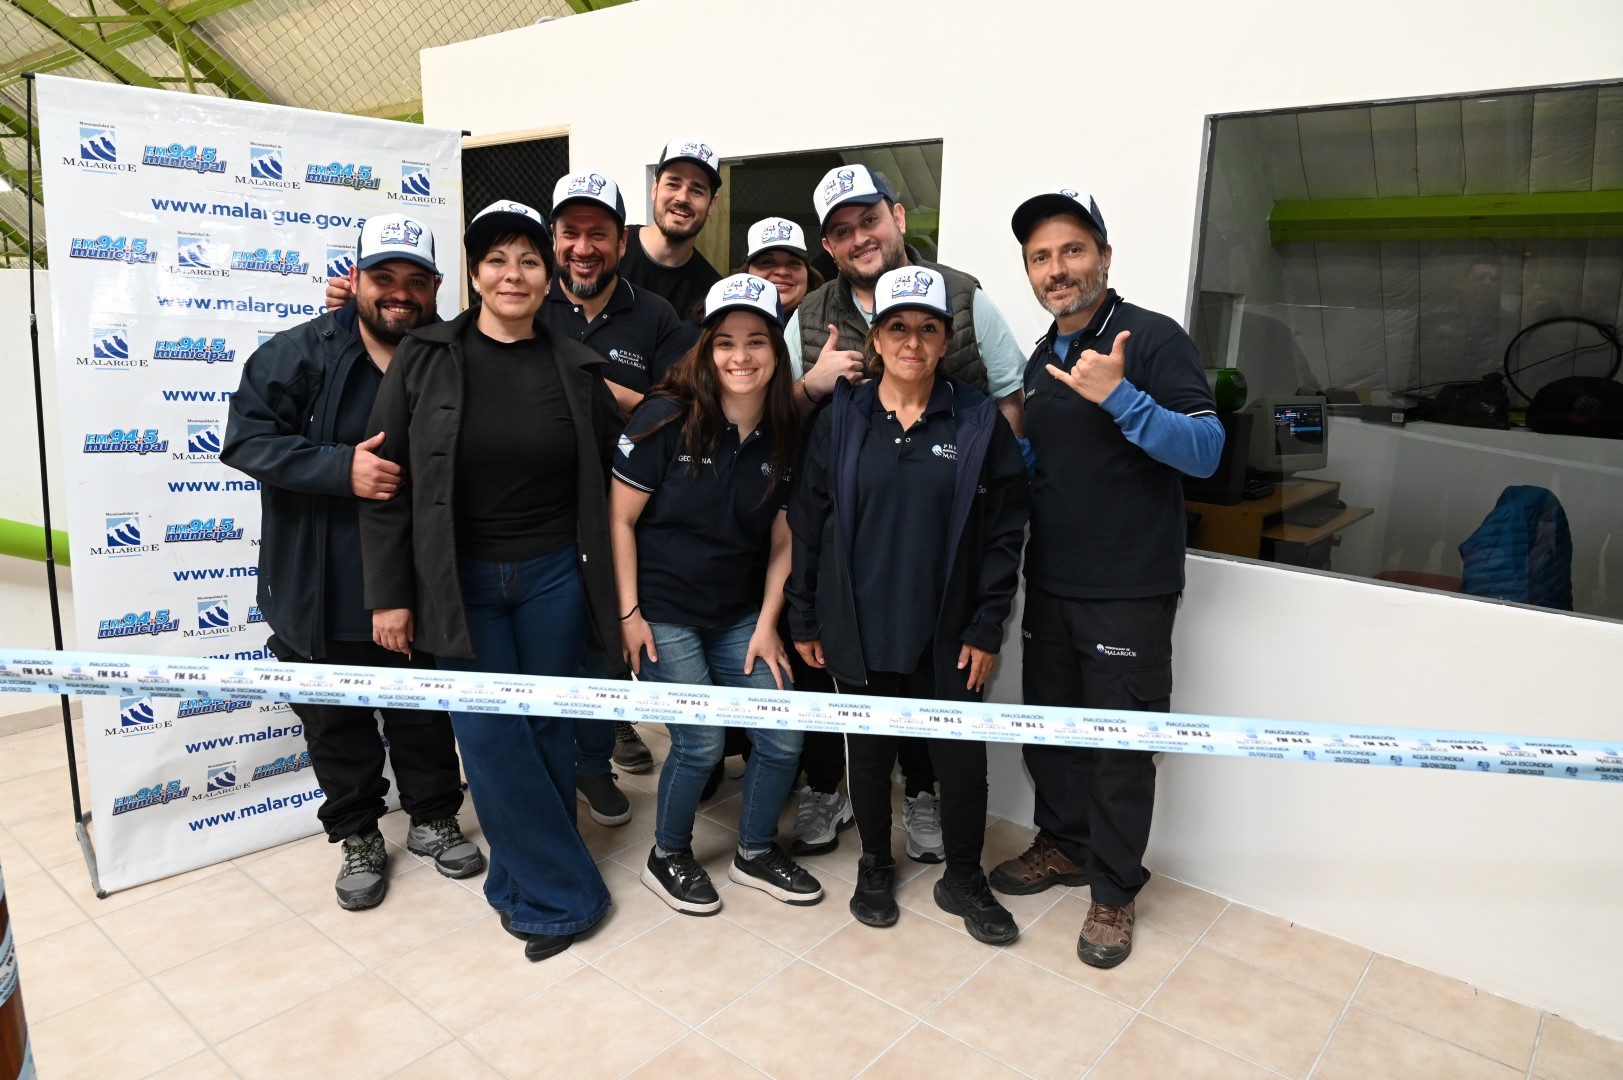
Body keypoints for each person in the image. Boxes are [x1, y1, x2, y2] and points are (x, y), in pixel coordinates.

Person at [361, 200, 624, 962]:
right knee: (489, 736)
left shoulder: (577, 366)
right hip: (459, 581)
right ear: (473, 275)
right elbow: (385, 480)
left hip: (553, 578)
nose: (514, 274)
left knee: (544, 729)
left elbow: (613, 477)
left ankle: (520, 881)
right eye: (497, 260)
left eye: (529, 260)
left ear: (549, 277)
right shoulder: (423, 356)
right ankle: (564, 898)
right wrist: (390, 594)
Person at [221, 213, 482, 912]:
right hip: (318, 587)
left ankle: (433, 817)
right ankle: (359, 835)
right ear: (355, 279)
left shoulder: (452, 355)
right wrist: (341, 469)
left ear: (436, 287)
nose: (399, 294)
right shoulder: (295, 355)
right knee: (335, 724)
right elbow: (245, 441)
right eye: (383, 277)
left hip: (416, 583)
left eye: (415, 281)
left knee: (422, 713)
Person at [993, 188, 1222, 969]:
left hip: (1127, 590)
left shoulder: (1149, 337)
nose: (1056, 269)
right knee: (1052, 733)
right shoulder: (1041, 357)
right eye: (1040, 257)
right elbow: (1054, 466)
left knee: (1121, 751)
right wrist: (1011, 450)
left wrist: (1120, 396)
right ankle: (1063, 844)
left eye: (1071, 250)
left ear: (1103, 256)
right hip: (1052, 582)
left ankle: (1114, 892)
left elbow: (1204, 451)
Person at [787, 267, 1029, 944]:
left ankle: (963, 877)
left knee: (960, 762)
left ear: (946, 340)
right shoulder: (842, 417)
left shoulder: (977, 420)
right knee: (867, 755)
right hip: (859, 623)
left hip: (948, 630)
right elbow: (808, 521)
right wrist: (804, 614)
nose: (912, 342)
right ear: (875, 338)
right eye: (897, 327)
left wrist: (986, 625)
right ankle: (873, 864)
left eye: (928, 328)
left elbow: (1005, 531)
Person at [612, 273, 822, 914]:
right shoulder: (664, 419)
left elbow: (784, 541)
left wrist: (766, 624)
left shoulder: (785, 430)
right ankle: (667, 855)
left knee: (782, 730)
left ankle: (754, 851)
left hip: (738, 615)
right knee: (701, 740)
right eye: (725, 341)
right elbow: (618, 520)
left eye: (757, 341)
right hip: (663, 613)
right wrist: (629, 614)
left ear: (777, 351)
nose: (741, 356)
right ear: (705, 348)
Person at [541, 169, 691, 795]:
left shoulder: (654, 315)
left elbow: (679, 408)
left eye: (598, 234)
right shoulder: (524, 303)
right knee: (549, 652)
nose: (584, 248)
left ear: (622, 242)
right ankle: (553, 771)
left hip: (623, 518)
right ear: (553, 239)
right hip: (540, 516)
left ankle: (593, 765)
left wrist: (590, 385)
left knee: (605, 649)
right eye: (570, 233)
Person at [788, 165, 1028, 442]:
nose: (860, 239)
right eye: (842, 232)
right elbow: (773, 419)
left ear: (898, 218)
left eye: (870, 220)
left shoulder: (962, 296)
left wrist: (996, 466)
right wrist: (810, 387)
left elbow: (1010, 400)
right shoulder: (808, 316)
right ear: (829, 248)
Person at [619, 139, 724, 329]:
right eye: (673, 184)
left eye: (696, 191)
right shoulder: (610, 250)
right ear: (655, 189)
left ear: (712, 205)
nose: (682, 198)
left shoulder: (713, 293)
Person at [737, 217, 824, 317]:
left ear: (808, 274)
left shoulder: (831, 321)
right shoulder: (724, 323)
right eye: (767, 262)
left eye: (793, 263)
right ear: (745, 273)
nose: (782, 272)